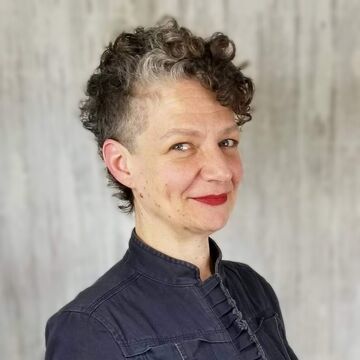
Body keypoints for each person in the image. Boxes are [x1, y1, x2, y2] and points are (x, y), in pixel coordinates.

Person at [45, 17, 298, 359]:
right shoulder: (91, 329)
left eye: (227, 141)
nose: (221, 171)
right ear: (122, 164)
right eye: (182, 146)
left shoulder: (253, 290)